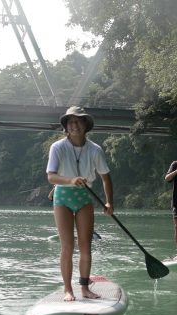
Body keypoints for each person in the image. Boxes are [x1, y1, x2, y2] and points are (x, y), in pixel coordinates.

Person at [46, 106, 114, 301]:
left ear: (85, 124)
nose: (74, 125)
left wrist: (109, 202)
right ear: (66, 126)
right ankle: (68, 289)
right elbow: (51, 177)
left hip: (84, 198)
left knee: (86, 246)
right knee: (67, 246)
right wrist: (70, 180)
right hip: (63, 198)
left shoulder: (95, 150)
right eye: (70, 122)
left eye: (78, 121)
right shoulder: (57, 147)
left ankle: (84, 288)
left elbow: (106, 178)